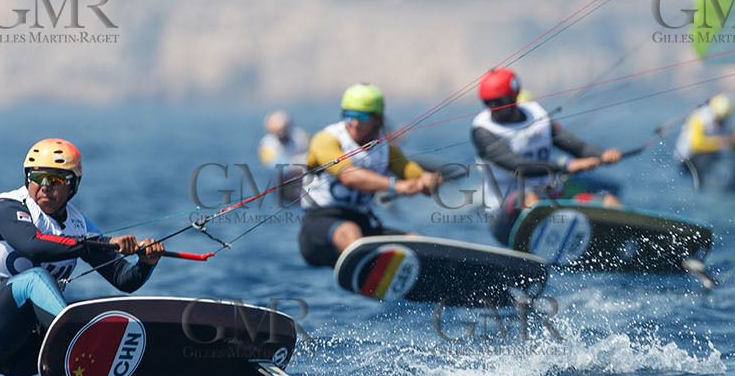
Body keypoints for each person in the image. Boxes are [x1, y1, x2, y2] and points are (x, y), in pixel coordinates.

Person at [0, 138, 164, 376]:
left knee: (99, 309)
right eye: (37, 178)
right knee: (35, 279)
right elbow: (33, 245)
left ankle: (136, 358)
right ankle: (81, 344)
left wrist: (146, 263)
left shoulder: (79, 225)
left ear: (72, 185)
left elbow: (123, 279)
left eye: (55, 180)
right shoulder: (7, 209)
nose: (45, 187)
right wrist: (97, 244)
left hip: (26, 352)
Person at [471, 68, 622, 246]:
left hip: (549, 198)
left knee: (608, 200)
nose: (494, 108)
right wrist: (565, 166)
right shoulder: (482, 130)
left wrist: (601, 154)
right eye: (488, 102)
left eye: (499, 101)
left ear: (513, 97)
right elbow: (517, 166)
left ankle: (613, 241)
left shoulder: (536, 115)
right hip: (505, 215)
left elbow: (574, 145)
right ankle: (538, 246)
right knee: (530, 197)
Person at [297, 84, 442, 268]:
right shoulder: (326, 140)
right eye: (350, 116)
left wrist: (430, 181)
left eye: (363, 117)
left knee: (416, 243)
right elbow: (348, 176)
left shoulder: (387, 150)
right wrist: (396, 186)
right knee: (350, 231)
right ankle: (370, 271)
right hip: (319, 225)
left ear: (378, 120)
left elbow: (415, 175)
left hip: (363, 222)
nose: (355, 123)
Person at [674, 93, 735, 180]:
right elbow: (697, 143)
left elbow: (734, 149)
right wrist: (726, 141)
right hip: (688, 160)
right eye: (720, 117)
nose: (722, 121)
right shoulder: (699, 117)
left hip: (708, 160)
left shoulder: (724, 122)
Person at [258, 110, 309, 204]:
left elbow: (309, 154)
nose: (281, 133)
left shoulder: (300, 135)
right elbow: (273, 166)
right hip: (283, 184)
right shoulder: (267, 143)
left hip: (303, 178)